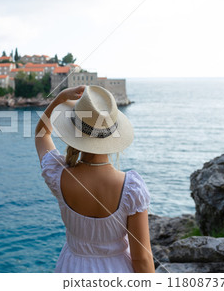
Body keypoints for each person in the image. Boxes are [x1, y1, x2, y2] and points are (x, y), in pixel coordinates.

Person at [35, 85, 154, 273]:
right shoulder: (132, 189)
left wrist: (59, 99)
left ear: (74, 132)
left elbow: (42, 134)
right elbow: (142, 258)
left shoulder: (57, 175)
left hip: (71, 268)